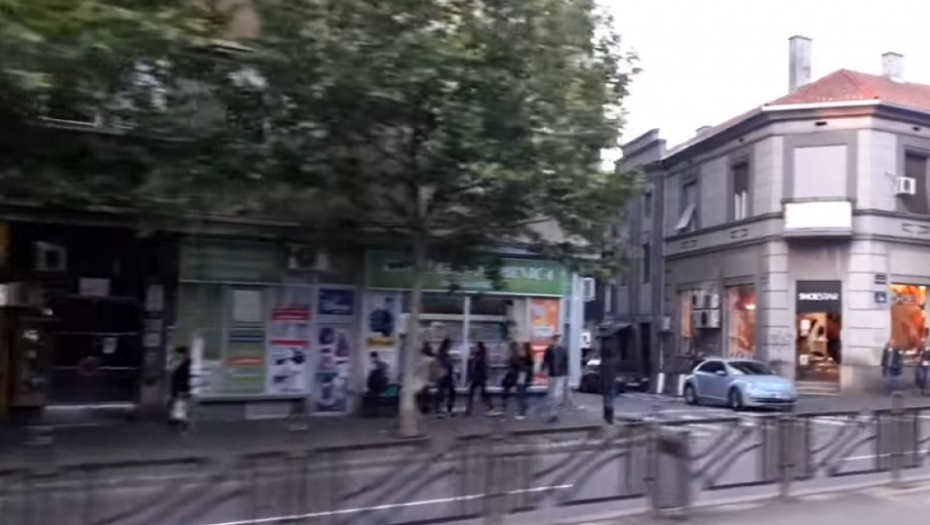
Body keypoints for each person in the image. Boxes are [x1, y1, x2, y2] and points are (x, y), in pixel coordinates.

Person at [542, 334, 570, 423]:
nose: (557, 342)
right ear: (553, 341)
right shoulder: (549, 350)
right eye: (556, 340)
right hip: (552, 375)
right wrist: (543, 370)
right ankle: (553, 414)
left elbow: (566, 362)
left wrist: (566, 374)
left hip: (560, 375)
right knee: (551, 395)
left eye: (558, 340)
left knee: (556, 395)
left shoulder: (563, 350)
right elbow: (545, 361)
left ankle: (554, 413)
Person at [168, 346, 192, 433]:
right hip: (179, 386)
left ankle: (182, 420)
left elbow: (179, 373)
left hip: (181, 387)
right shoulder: (184, 362)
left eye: (180, 354)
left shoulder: (186, 362)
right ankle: (177, 418)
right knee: (178, 403)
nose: (180, 356)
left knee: (181, 403)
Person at [466, 342, 493, 415]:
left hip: (478, 377)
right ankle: (489, 404)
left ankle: (469, 407)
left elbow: (480, 367)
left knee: (473, 391)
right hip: (479, 377)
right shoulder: (480, 356)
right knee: (482, 391)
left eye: (476, 347)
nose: (475, 348)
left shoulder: (479, 357)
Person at [433, 338, 457, 417]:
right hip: (443, 376)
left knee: (451, 391)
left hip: (447, 376)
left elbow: (448, 364)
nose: (450, 346)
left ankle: (448, 407)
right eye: (450, 344)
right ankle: (438, 409)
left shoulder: (445, 354)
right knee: (441, 393)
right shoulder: (441, 354)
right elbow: (441, 364)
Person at [600, 338, 620, 425]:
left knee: (607, 399)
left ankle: (607, 416)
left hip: (606, 383)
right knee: (610, 399)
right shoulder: (613, 362)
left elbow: (602, 374)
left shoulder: (604, 362)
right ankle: (609, 417)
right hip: (611, 382)